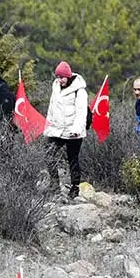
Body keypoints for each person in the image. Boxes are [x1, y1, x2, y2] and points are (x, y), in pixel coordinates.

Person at [43, 61, 89, 199]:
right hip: (56, 130)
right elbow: (51, 108)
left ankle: (75, 188)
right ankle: (54, 184)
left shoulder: (79, 91)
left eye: (61, 77)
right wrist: (48, 127)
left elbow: (81, 113)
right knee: (48, 154)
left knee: (72, 159)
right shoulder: (56, 87)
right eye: (57, 77)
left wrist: (76, 129)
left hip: (73, 131)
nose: (59, 80)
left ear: (68, 76)